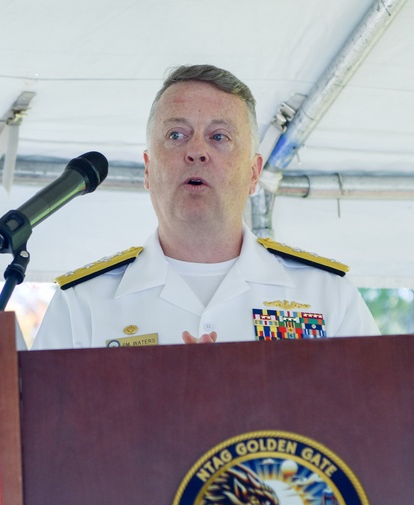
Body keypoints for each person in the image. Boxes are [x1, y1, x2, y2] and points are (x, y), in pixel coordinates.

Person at [31, 64, 379, 350]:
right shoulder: (83, 306)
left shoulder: (327, 296)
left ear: (254, 173)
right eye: (176, 135)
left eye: (219, 137)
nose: (196, 151)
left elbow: (376, 425)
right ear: (148, 170)